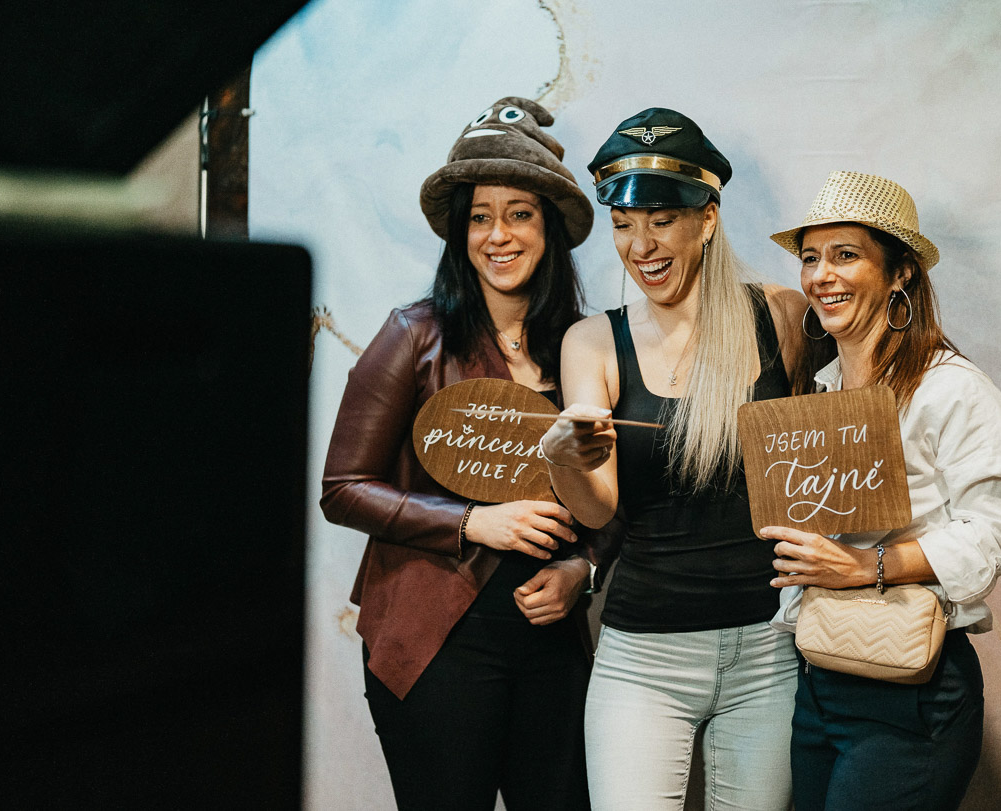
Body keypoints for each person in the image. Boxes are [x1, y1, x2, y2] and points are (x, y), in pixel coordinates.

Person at [320, 97, 597, 811]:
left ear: (550, 229)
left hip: (551, 644)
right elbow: (343, 486)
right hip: (435, 642)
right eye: (480, 216)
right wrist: (473, 522)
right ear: (459, 231)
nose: (497, 235)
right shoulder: (414, 336)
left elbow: (615, 494)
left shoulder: (586, 349)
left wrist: (584, 567)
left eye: (518, 214)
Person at [539, 108, 808, 810]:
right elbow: (599, 506)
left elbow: (829, 445)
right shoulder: (592, 343)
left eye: (661, 219)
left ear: (708, 217)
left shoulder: (781, 315)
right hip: (644, 656)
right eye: (624, 225)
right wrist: (566, 460)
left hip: (768, 653)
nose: (640, 245)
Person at [762, 170, 1001, 810]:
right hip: (821, 675)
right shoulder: (822, 391)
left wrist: (867, 565)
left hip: (912, 687)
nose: (821, 275)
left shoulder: (950, 388)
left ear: (900, 272)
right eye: (810, 258)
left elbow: (999, 529)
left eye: (845, 255)